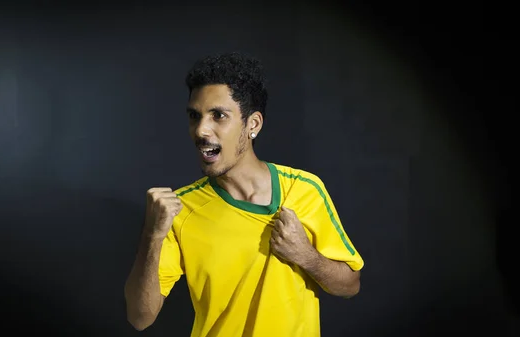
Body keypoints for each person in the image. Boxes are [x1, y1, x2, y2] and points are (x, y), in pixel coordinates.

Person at [124, 52, 365, 337]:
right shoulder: (180, 209)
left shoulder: (303, 190)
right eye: (194, 116)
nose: (201, 130)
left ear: (253, 125)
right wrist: (152, 234)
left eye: (219, 116)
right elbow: (140, 318)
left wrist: (306, 256)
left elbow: (350, 285)